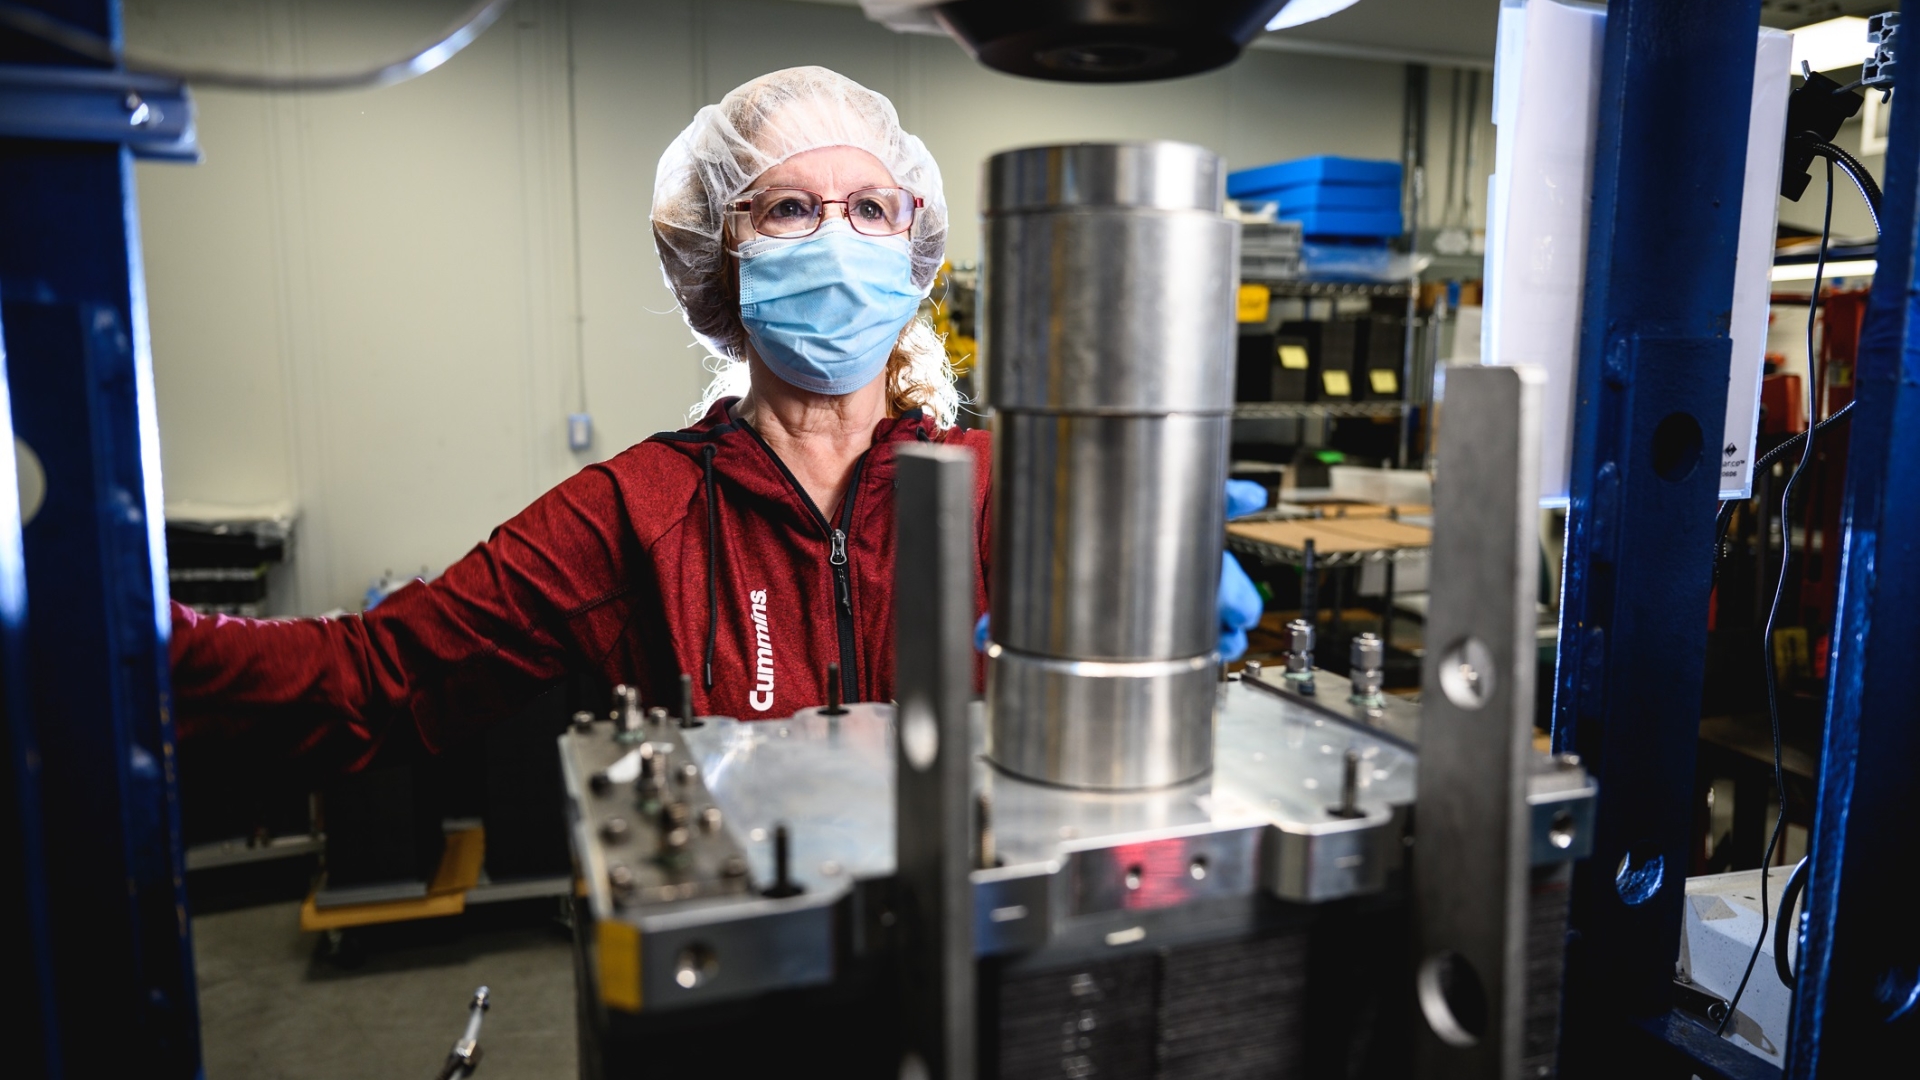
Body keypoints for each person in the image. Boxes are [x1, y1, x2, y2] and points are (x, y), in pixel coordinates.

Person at [169, 66, 1265, 773]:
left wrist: (1152, 589)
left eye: (870, 208)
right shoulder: (637, 510)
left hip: (979, 956)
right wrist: (132, 634)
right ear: (720, 253)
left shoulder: (996, 488)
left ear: (914, 250)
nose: (836, 239)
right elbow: (377, 674)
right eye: (788, 207)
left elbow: (1122, 710)